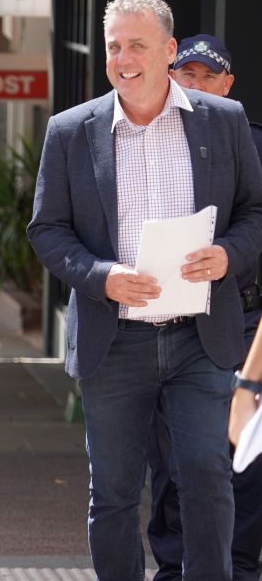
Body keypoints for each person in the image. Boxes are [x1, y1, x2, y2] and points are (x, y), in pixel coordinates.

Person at [28, 0, 262, 580]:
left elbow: (255, 212)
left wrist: (228, 255)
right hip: (115, 342)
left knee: (207, 479)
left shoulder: (223, 121)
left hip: (200, 337)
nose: (123, 58)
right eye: (114, 47)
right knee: (112, 493)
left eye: (137, 45)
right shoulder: (70, 131)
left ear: (168, 50)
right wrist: (102, 277)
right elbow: (47, 230)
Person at [143, 34, 262, 581]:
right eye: (184, 74)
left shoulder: (251, 141)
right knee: (170, 458)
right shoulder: (137, 136)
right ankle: (174, 567)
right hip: (161, 318)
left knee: (238, 456)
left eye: (206, 76)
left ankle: (235, 566)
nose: (193, 85)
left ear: (227, 85)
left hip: (239, 319)